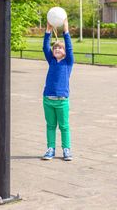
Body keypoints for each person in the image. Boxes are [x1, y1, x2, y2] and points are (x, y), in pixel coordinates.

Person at [42, 17, 74, 161]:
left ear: (65, 52)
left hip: (62, 101)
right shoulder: (52, 61)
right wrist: (48, 31)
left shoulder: (68, 62)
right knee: (50, 126)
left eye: (59, 48)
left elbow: (69, 47)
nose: (56, 49)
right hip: (48, 99)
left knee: (64, 126)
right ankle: (50, 149)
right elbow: (45, 47)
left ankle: (66, 149)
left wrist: (66, 30)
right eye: (55, 48)